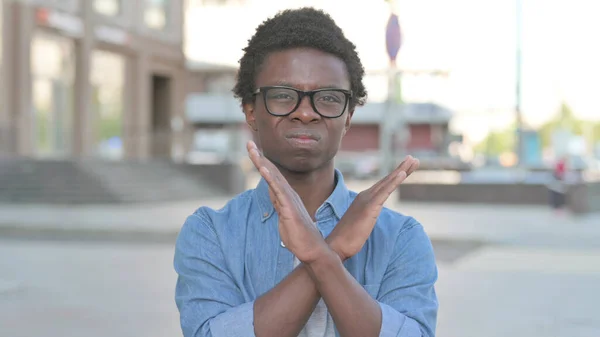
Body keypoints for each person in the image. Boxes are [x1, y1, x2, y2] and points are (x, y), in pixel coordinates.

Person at [174, 7, 438, 337]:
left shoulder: (401, 236)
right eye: (283, 96)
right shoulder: (210, 233)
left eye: (327, 98)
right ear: (251, 111)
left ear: (349, 116)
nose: (305, 112)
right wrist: (332, 250)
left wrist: (321, 256)